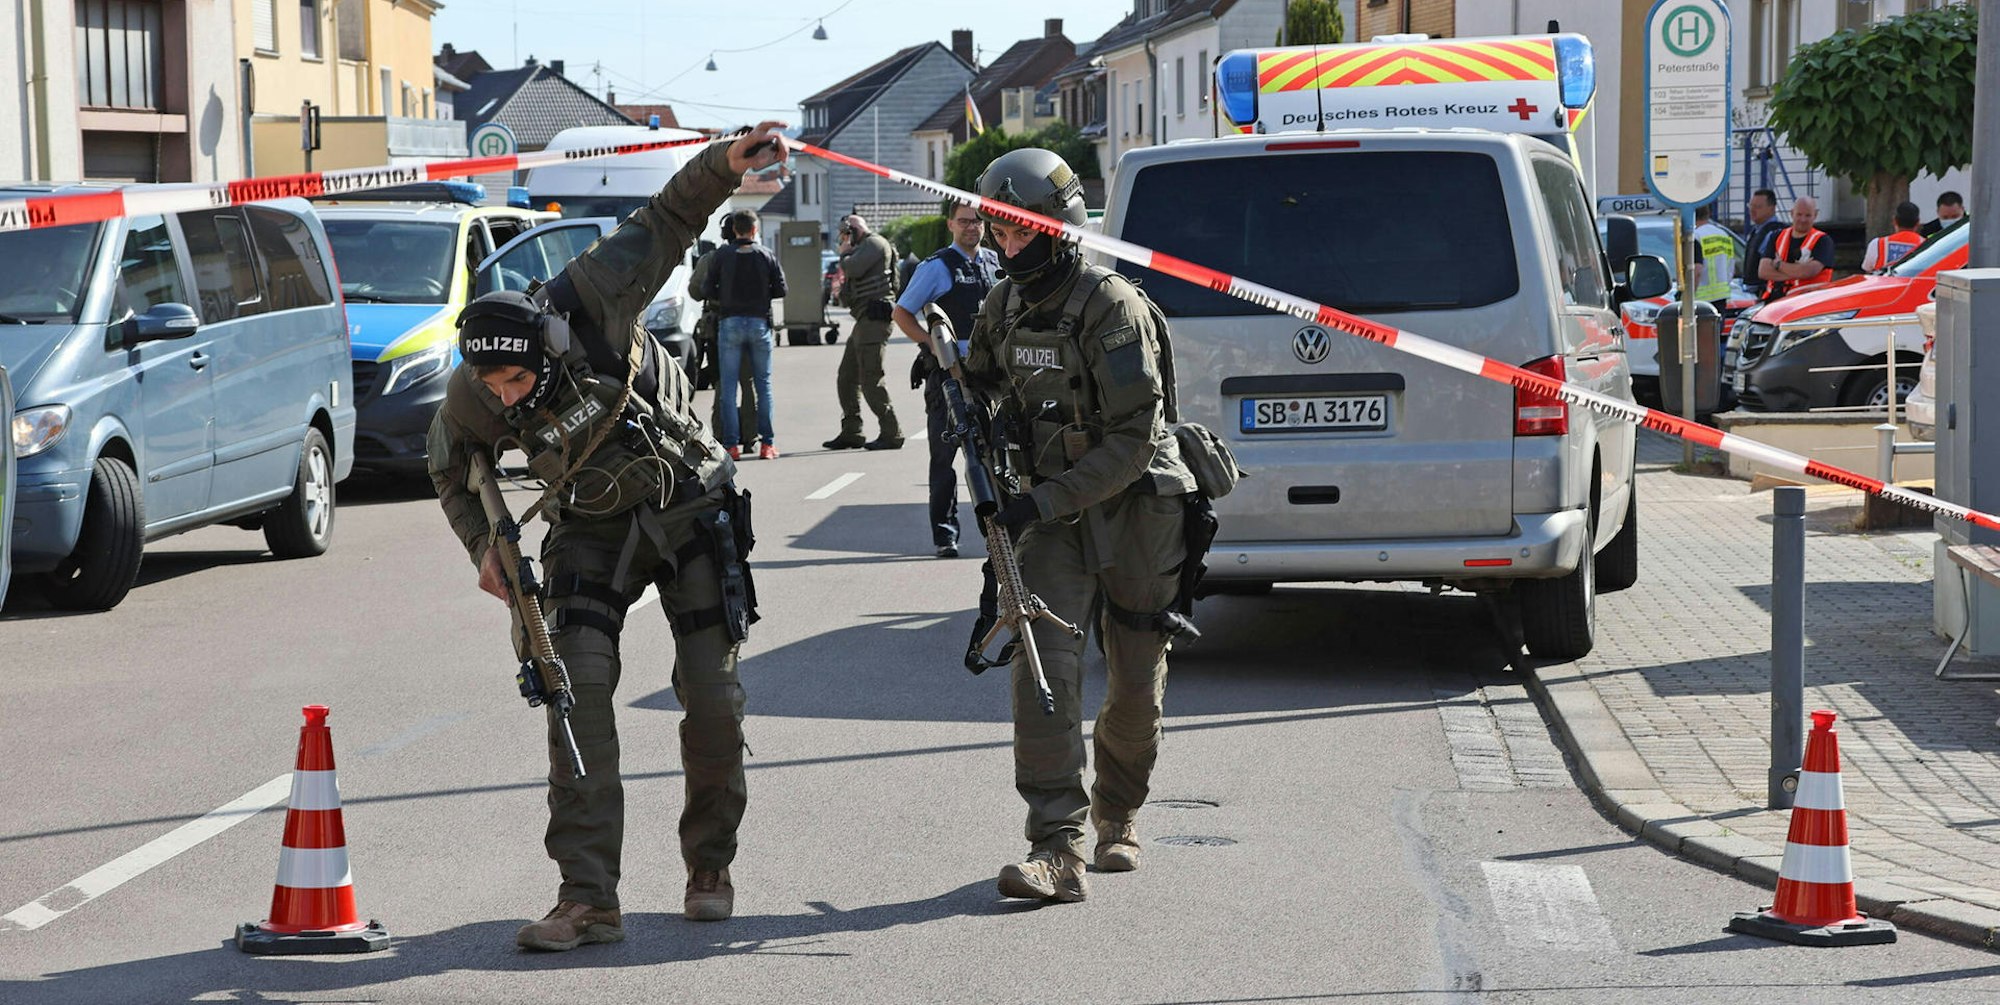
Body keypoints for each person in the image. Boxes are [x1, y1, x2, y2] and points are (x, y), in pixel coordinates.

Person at [426, 122, 787, 951]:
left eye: (518, 379)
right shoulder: (475, 391)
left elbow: (670, 215)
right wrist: (484, 547)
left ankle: (709, 866)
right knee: (574, 697)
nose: (506, 397)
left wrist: (723, 164)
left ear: (548, 349)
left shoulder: (593, 294)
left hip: (685, 506)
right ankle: (587, 896)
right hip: (587, 528)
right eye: (491, 383)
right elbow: (447, 465)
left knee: (713, 700)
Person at [960, 147, 1198, 904]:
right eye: (999, 234)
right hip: (1053, 515)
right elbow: (987, 381)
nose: (1007, 248)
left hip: (1135, 511)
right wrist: (953, 380)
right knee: (1043, 668)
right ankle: (1055, 847)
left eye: (1019, 232)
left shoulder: (1111, 307)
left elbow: (1133, 442)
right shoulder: (1002, 306)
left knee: (1133, 686)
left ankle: (1117, 814)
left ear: (1059, 228)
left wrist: (1037, 502)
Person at [892, 200, 999, 558]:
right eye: (964, 221)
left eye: (978, 221)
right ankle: (945, 535)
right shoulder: (937, 267)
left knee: (996, 455)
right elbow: (902, 313)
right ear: (950, 224)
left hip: (990, 375)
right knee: (944, 457)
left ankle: (997, 533)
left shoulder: (994, 263)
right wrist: (932, 346)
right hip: (949, 375)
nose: (972, 227)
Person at [700, 209, 785, 460]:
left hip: (730, 323)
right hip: (759, 323)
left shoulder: (721, 256)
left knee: (728, 388)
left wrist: (726, 294)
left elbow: (707, 289)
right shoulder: (766, 255)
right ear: (754, 230)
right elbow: (781, 289)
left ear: (734, 229)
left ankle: (731, 446)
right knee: (763, 386)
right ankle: (767, 444)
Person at [823, 214, 905, 451]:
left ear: (855, 230)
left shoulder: (874, 243)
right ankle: (852, 431)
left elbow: (853, 268)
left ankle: (892, 432)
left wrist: (844, 253)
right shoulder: (861, 247)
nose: (844, 239)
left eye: (846, 234)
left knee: (871, 378)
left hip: (875, 319)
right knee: (847, 377)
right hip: (864, 320)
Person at [688, 224, 760, 455]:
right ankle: (751, 437)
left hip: (719, 326)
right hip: (750, 324)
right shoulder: (758, 256)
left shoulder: (711, 259)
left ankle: (721, 435)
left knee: (722, 383)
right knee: (748, 383)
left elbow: (695, 292)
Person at [1757, 196, 1834, 303]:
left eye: (1808, 215)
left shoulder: (1823, 240)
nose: (1803, 220)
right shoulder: (1776, 236)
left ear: (1815, 215)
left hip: (1808, 302)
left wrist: (1778, 265)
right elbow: (1763, 271)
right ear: (1792, 213)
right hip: (1774, 301)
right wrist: (1797, 273)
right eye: (1799, 214)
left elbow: (1808, 271)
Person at [1740, 188, 1784, 301]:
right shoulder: (1756, 231)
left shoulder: (1776, 232)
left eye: (1758, 207)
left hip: (1769, 293)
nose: (1752, 210)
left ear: (1772, 208)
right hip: (1755, 293)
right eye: (1751, 206)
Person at [1691, 203, 1736, 314]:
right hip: (1722, 295)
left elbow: (1696, 271)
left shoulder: (1695, 236)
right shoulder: (1723, 234)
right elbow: (1731, 265)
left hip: (1700, 297)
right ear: (1708, 214)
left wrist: (1688, 296)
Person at [1863, 201, 1925, 272]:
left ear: (1894, 220)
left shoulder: (1877, 244)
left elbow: (1867, 269)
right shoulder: (1927, 247)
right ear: (1918, 222)